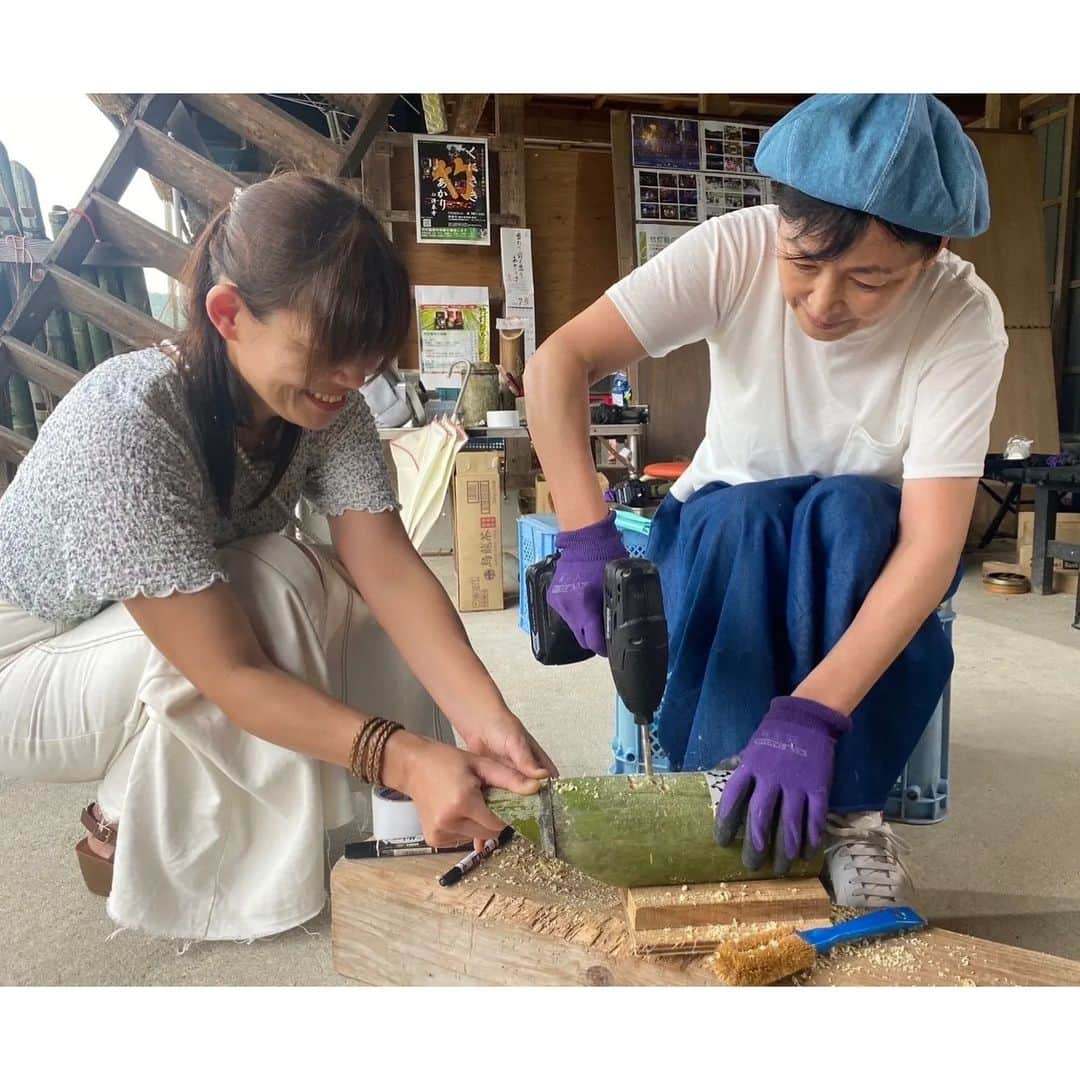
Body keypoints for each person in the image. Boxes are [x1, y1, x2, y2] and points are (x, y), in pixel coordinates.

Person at [0, 173, 555, 942]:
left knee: (334, 581)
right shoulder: (127, 428)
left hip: (127, 631)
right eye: (331, 353)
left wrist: (484, 720)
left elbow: (387, 570)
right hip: (26, 663)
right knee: (272, 583)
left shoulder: (332, 405)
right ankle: (126, 821)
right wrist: (403, 755)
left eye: (367, 358)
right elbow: (228, 670)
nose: (354, 380)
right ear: (227, 313)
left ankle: (386, 821)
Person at [526, 94, 1007, 908]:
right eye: (804, 262)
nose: (823, 303)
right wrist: (583, 532)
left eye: (868, 279)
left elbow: (931, 546)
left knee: (852, 510)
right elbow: (559, 360)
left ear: (935, 254)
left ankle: (853, 817)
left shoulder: (963, 316)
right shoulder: (735, 247)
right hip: (722, 532)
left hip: (859, 555)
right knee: (746, 517)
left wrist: (814, 714)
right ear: (778, 221)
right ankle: (711, 788)